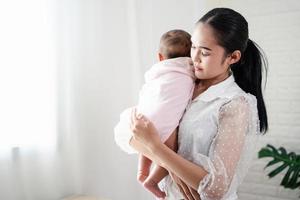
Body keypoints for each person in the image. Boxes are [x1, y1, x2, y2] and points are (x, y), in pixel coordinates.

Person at [129, 8, 268, 200]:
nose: (194, 57)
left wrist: (156, 148)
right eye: (193, 47)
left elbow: (215, 188)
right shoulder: (181, 81)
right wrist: (170, 163)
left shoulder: (234, 104)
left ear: (233, 57)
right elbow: (134, 132)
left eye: (205, 52)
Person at [114, 29, 195, 198]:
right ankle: (151, 180)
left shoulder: (157, 71)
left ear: (160, 57)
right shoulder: (190, 69)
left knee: (149, 139)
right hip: (166, 120)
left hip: (144, 114)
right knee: (170, 153)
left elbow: (149, 89)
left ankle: (142, 171)